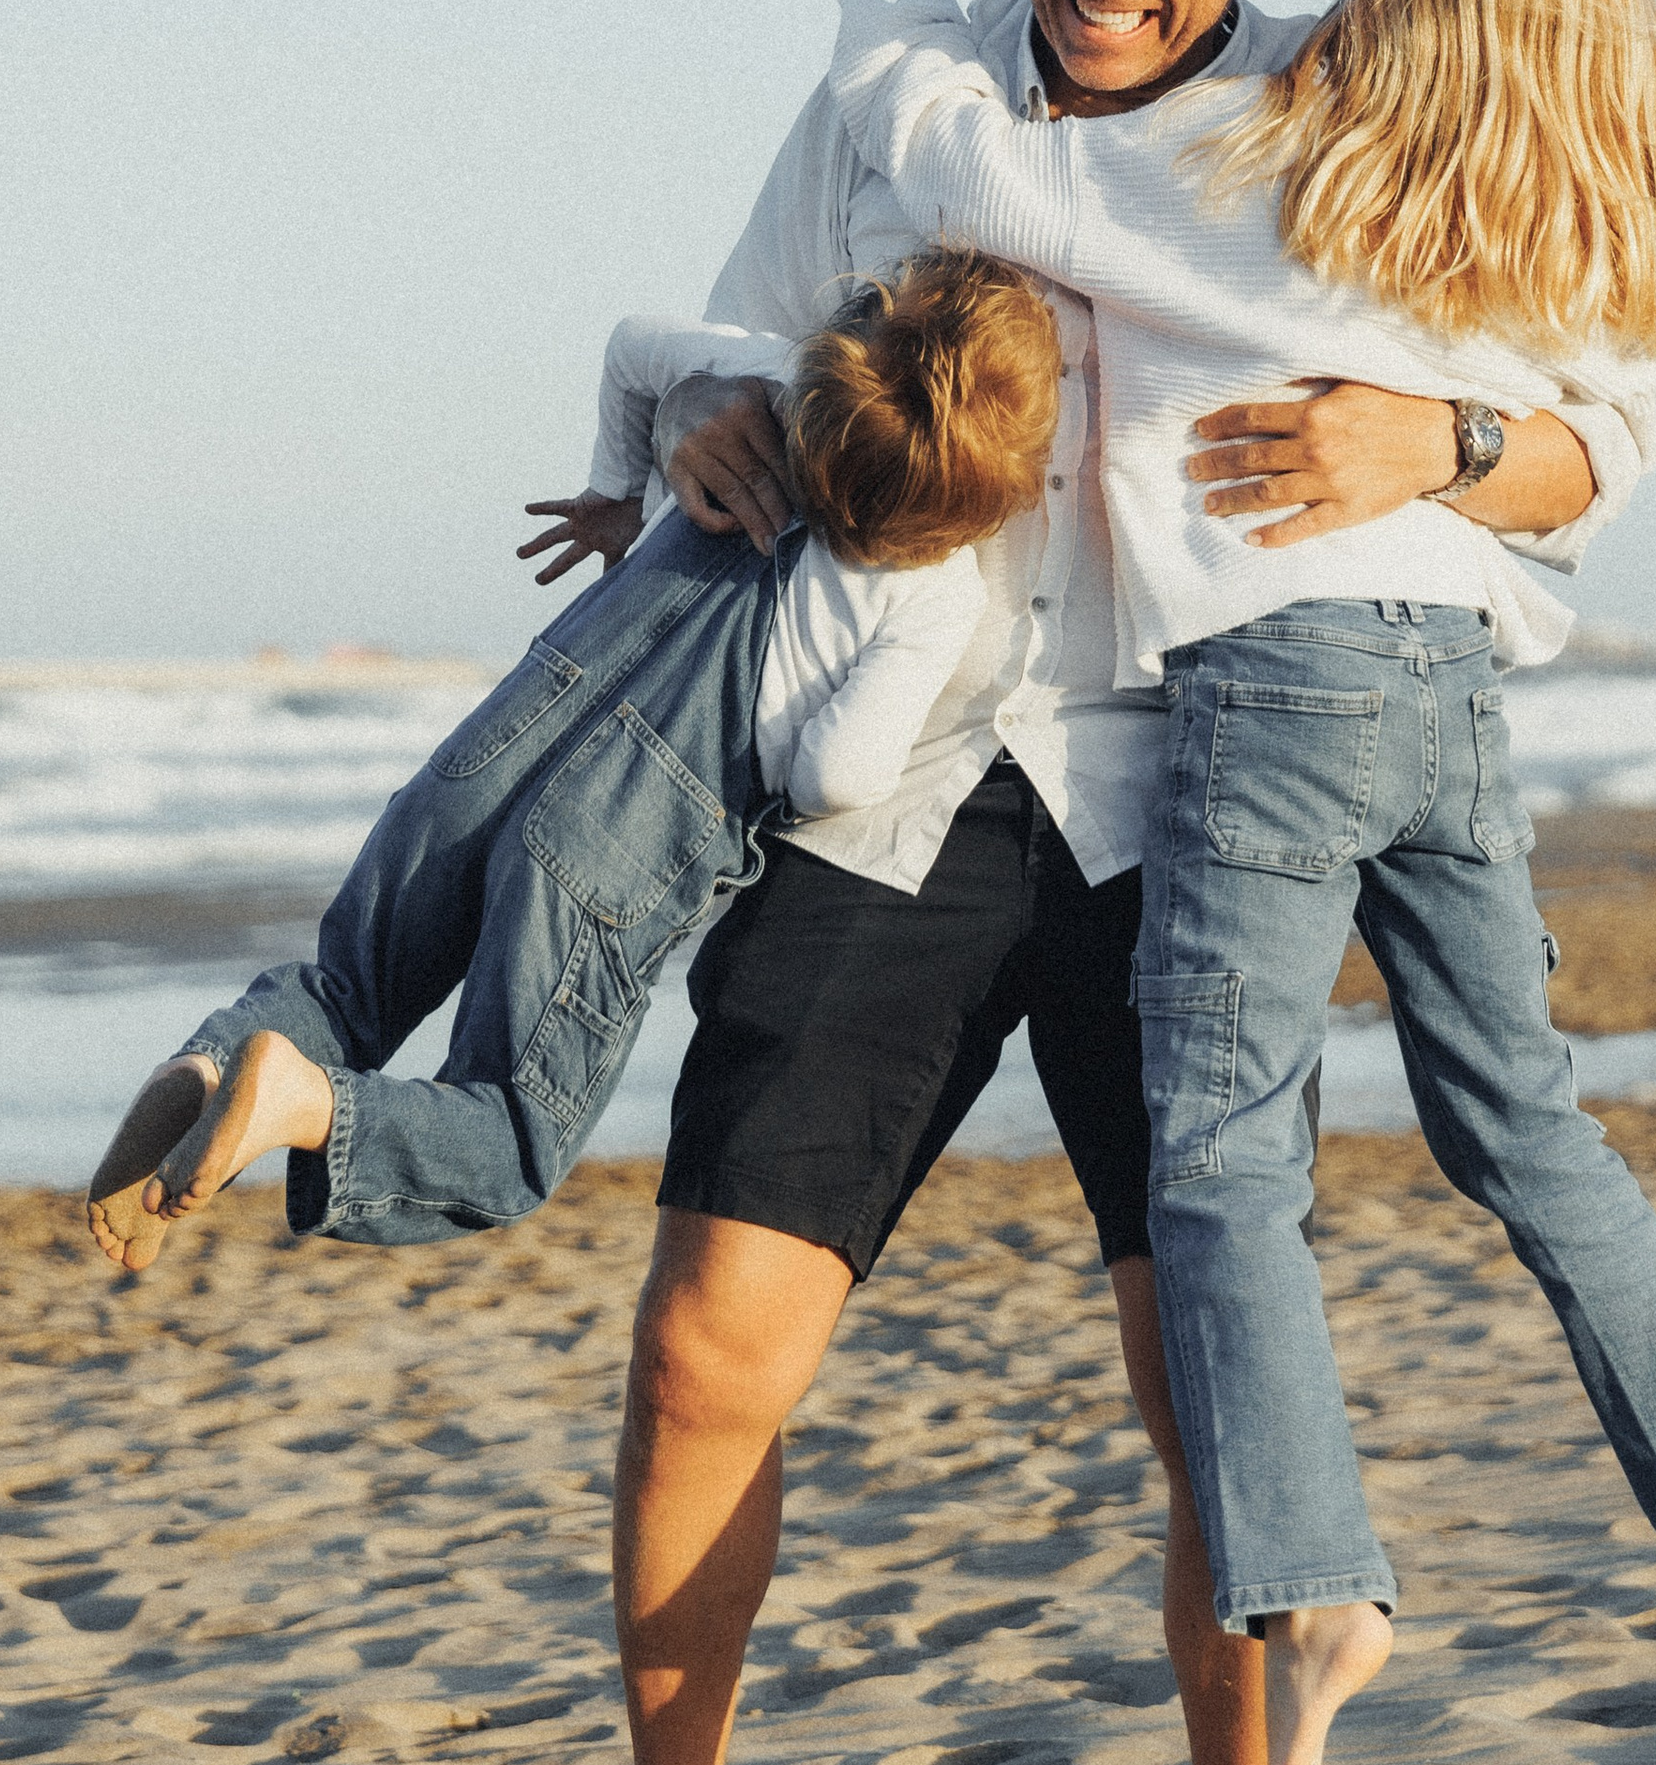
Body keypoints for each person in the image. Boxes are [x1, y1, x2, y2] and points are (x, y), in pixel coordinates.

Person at [593, 0, 1656, 1765]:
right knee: (701, 1353)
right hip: (889, 784)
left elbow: (1603, 417)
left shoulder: (1325, 127)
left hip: (1190, 805)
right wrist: (702, 423)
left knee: (1206, 1373)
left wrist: (1445, 428)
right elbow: (738, 348)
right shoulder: (901, 102)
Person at [822, 0, 1656, 1765]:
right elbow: (1614, 435)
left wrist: (892, 49)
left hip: (1271, 689)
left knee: (1218, 1163)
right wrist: (1461, 442)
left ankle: (1314, 1591)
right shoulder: (1553, 224)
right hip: (1451, 690)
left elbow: (973, 171)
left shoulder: (1250, 175)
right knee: (1519, 1120)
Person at [81, 249, 1061, 1255]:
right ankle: (303, 1103)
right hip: (619, 842)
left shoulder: (773, 391)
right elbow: (836, 776)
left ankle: (209, 1069)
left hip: (504, 745)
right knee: (512, 1131)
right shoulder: (936, 589)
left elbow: (635, 346)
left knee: (349, 985)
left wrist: (616, 493)